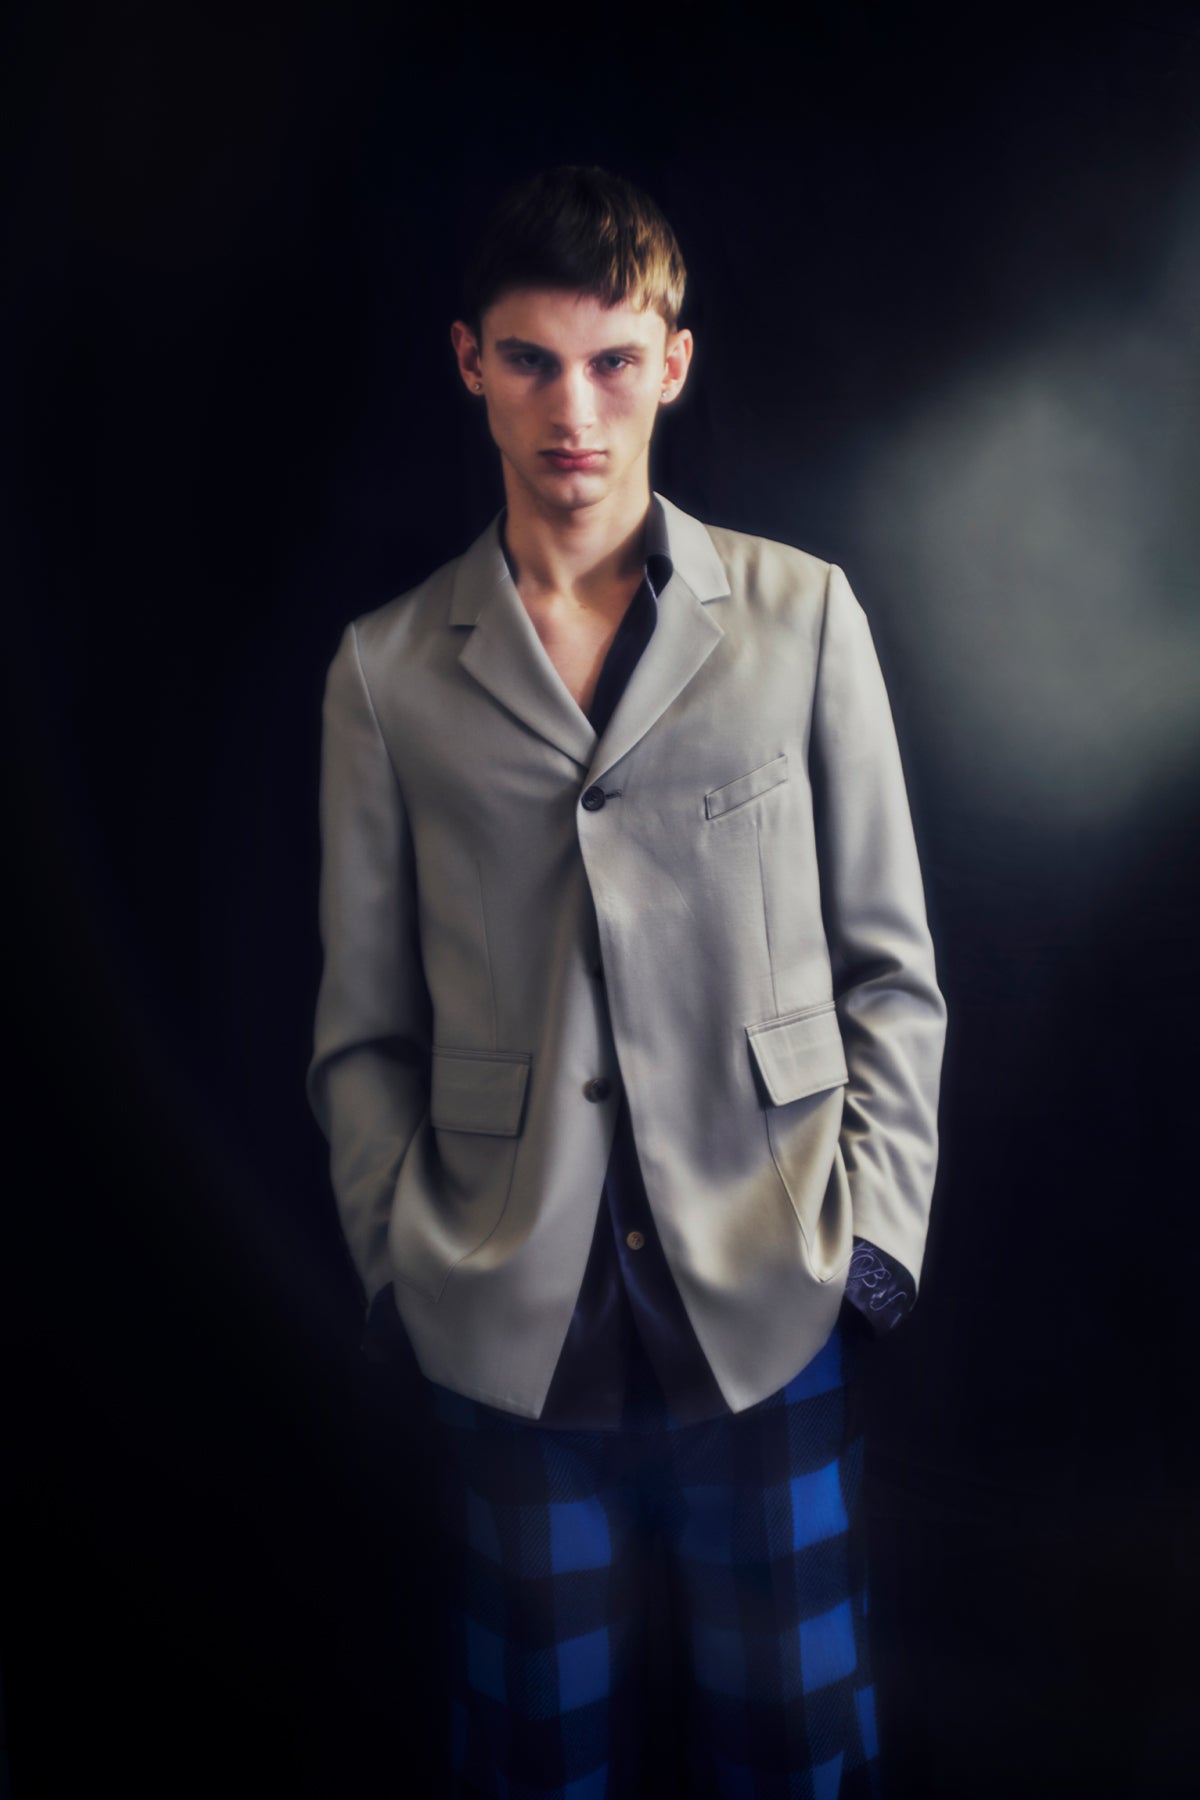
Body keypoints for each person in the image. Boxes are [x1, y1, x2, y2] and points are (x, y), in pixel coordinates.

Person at [307, 164, 946, 1799]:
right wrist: (402, 1267)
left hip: (771, 1296)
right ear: (471, 363)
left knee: (803, 1756)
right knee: (533, 1764)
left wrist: (874, 1240)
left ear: (674, 362)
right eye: (531, 360)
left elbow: (891, 969)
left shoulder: (804, 617)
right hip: (510, 1323)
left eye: (611, 361)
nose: (572, 409)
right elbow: (363, 1031)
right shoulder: (386, 672)